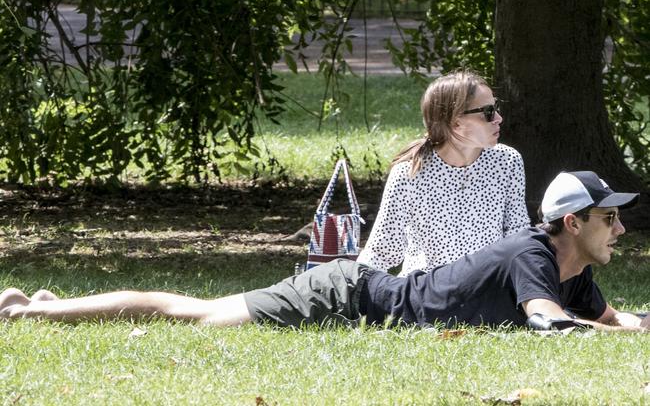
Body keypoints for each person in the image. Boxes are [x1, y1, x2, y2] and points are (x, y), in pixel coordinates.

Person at [0, 171, 647, 332]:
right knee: (195, 313)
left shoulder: (575, 272)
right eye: (608, 218)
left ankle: (59, 301)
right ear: (569, 221)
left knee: (195, 311)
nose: (619, 230)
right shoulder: (531, 255)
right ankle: (36, 314)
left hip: (360, 297)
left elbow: (616, 323)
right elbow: (551, 326)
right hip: (344, 296)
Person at [357, 70, 529, 276]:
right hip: (426, 296)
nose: (499, 118)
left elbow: (518, 237)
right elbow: (381, 251)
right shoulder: (408, 174)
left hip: (487, 294)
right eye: (488, 112)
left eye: (496, 108)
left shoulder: (507, 161)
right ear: (456, 123)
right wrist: (351, 289)